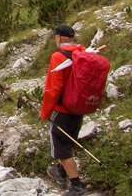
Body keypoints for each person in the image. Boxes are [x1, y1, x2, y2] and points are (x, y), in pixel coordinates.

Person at [40, 24, 100, 195]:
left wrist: (45, 113)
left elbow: (53, 88)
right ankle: (60, 171)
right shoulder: (82, 53)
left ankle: (76, 185)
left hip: (63, 109)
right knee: (67, 142)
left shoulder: (58, 56)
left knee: (61, 147)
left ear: (59, 37)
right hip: (79, 107)